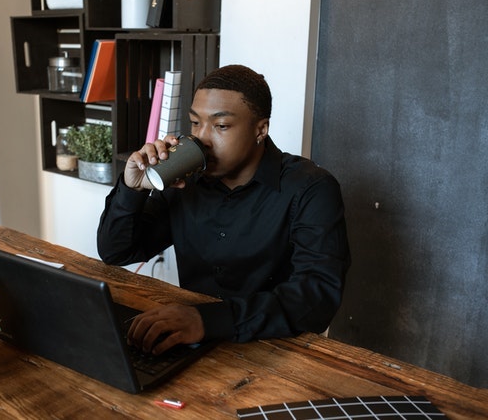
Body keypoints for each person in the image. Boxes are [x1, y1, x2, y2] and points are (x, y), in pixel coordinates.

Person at [97, 64, 350, 355]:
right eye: (194, 123)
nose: (202, 139)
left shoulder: (311, 189)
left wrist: (208, 320)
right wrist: (133, 189)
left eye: (221, 126)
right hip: (192, 344)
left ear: (260, 129)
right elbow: (116, 251)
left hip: (274, 351)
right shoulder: (187, 182)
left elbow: (317, 298)